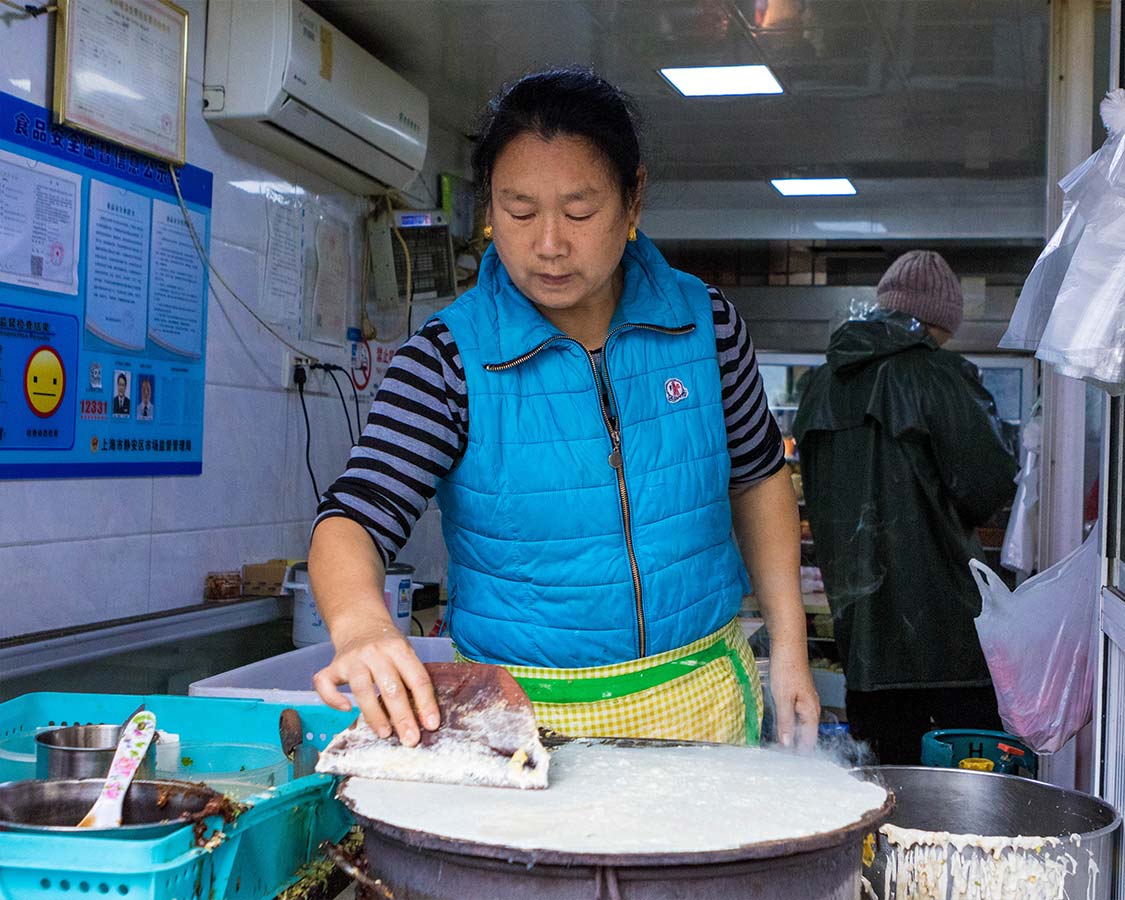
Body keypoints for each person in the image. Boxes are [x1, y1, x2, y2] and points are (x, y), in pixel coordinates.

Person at [309, 67, 818, 751]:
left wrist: (790, 645)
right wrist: (361, 625)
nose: (548, 244)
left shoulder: (705, 325)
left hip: (701, 700)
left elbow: (756, 478)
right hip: (523, 722)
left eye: (579, 212)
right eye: (518, 212)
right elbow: (354, 517)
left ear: (632, 200)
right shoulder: (449, 359)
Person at [793, 250, 1018, 764]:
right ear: (943, 318)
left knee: (885, 789)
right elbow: (986, 486)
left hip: (862, 639)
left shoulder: (820, 384)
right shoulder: (938, 375)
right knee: (967, 795)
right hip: (947, 643)